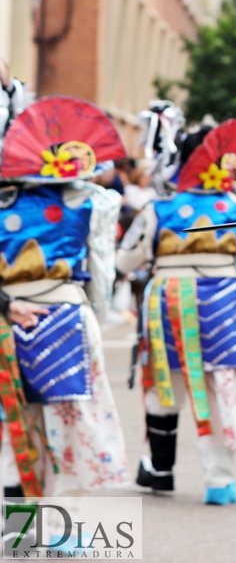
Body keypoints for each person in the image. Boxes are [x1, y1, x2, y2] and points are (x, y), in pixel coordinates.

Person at [116, 115, 236, 505]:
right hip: (222, 302)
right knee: (218, 387)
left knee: (164, 384)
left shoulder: (160, 208)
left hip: (167, 301)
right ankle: (219, 481)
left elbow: (126, 262)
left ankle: (161, 470)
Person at [0, 96, 129, 497]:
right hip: (67, 314)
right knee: (68, 424)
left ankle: (17, 527)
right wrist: (99, 312)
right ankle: (55, 529)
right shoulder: (92, 201)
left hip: (5, 317)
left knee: (13, 423)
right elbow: (102, 268)